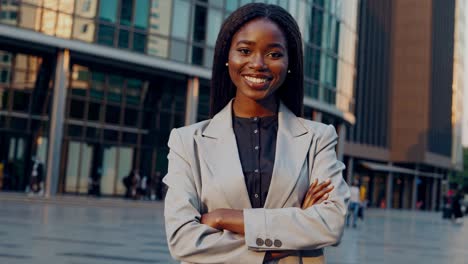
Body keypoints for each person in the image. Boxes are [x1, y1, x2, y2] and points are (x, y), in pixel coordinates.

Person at [163, 3, 350, 263]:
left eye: (274, 54)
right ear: (227, 57)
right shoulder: (187, 142)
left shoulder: (319, 138)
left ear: (289, 63)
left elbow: (332, 223)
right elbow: (183, 239)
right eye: (245, 51)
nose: (258, 63)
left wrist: (223, 217)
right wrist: (291, 234)